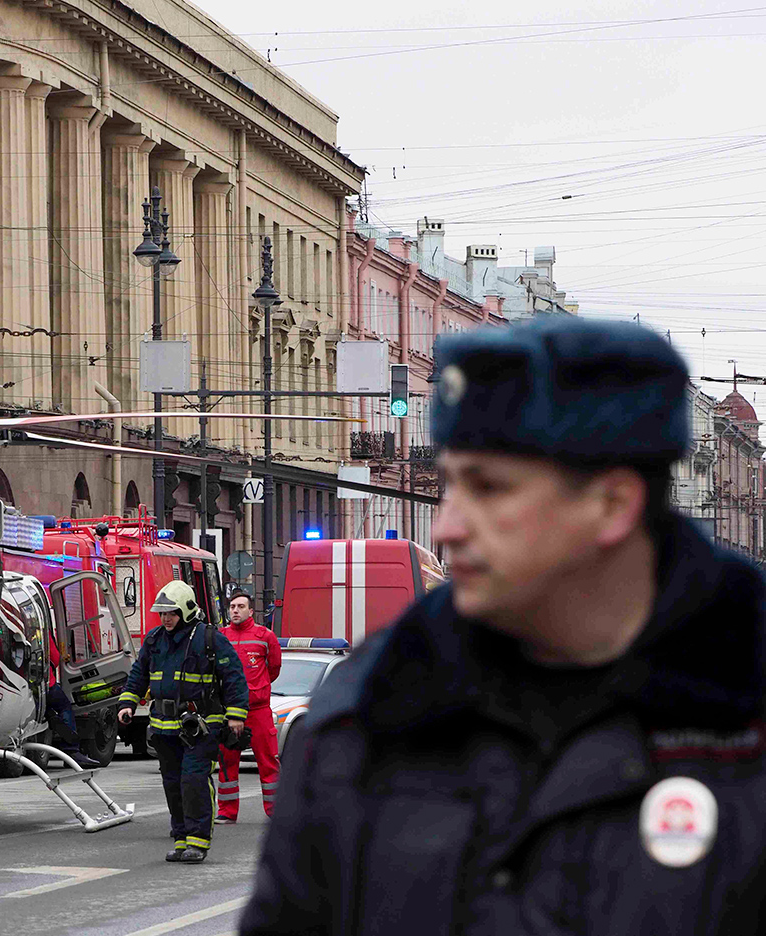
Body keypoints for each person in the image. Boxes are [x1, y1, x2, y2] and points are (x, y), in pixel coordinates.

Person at [242, 316, 766, 935]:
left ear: (613, 503)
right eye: (450, 487)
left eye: (489, 488)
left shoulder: (743, 715)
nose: (447, 528)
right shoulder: (371, 714)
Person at [117, 580, 249, 863]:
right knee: (173, 784)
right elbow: (139, 674)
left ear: (187, 611)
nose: (166, 618)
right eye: (163, 613)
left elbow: (234, 676)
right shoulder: (154, 640)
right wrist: (128, 702)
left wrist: (237, 714)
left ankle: (198, 842)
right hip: (164, 727)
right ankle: (181, 840)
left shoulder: (209, 639)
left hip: (201, 725)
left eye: (172, 613)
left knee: (193, 781)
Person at [216, 591, 281, 821]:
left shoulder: (265, 636)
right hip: (229, 711)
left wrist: (256, 691)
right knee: (227, 763)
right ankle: (227, 812)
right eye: (232, 606)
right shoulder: (221, 637)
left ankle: (275, 813)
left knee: (268, 762)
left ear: (251, 611)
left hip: (258, 711)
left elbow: (273, 669)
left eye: (240, 606)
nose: (235, 610)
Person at [46, 630, 102, 770]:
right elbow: (53, 655)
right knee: (64, 707)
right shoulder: (42, 629)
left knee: (49, 710)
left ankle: (51, 717)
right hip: (46, 684)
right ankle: (71, 749)